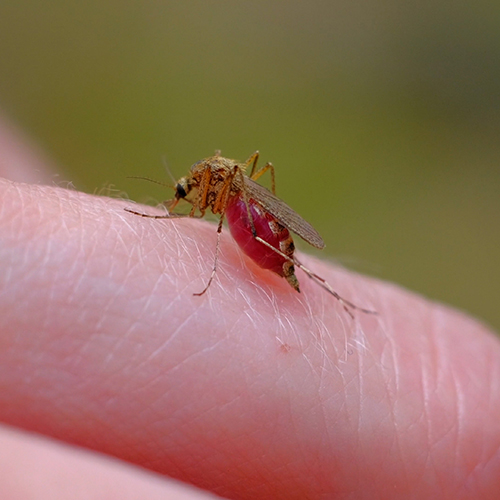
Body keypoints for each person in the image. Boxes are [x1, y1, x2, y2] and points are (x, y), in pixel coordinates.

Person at [0, 118, 499, 499]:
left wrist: (225, 255)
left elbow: (218, 206)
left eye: (182, 196)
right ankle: (292, 261)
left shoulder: (220, 185)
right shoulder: (209, 180)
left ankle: (294, 265)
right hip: (249, 204)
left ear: (194, 186)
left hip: (255, 214)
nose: (183, 200)